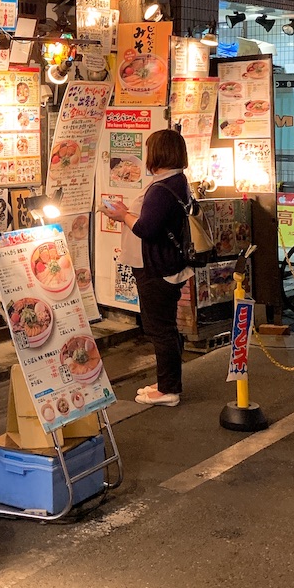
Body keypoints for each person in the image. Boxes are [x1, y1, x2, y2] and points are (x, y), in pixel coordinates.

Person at [107, 129, 193, 407]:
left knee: (160, 329)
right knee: (164, 326)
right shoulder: (177, 181)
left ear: (157, 154)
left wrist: (122, 215)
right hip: (169, 265)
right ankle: (167, 381)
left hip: (157, 268)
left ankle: (168, 390)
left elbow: (147, 228)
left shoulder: (161, 188)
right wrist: (126, 213)